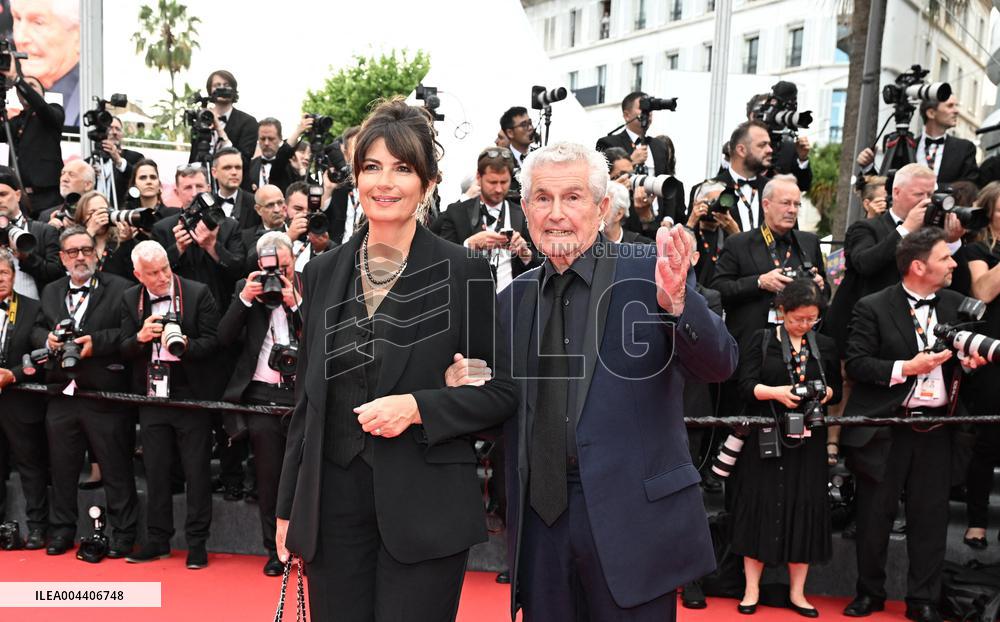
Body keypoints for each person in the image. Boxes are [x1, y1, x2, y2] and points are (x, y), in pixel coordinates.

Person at [274, 98, 517, 621]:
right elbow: (307, 404)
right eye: (372, 167)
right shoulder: (321, 273)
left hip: (425, 507)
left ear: (428, 183)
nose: (385, 182)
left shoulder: (464, 272)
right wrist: (288, 507)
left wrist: (420, 406)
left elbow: (502, 394)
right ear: (356, 178)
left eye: (402, 168)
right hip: (333, 508)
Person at [501, 141, 738, 621]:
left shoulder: (649, 271)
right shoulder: (511, 300)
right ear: (525, 210)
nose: (556, 213)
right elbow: (502, 409)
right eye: (542, 199)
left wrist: (677, 304)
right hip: (541, 526)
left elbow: (719, 365)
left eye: (572, 197)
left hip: (635, 520)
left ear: (602, 206)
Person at [840, 227, 987, 622]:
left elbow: (967, 367)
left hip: (939, 429)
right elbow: (856, 363)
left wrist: (971, 366)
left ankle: (923, 599)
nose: (954, 263)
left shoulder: (960, 305)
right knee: (873, 517)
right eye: (945, 258)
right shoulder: (872, 305)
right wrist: (907, 367)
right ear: (919, 266)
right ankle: (868, 592)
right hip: (887, 426)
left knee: (931, 517)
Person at [731, 278, 841, 617]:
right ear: (782, 312)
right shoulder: (761, 340)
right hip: (766, 433)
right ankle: (751, 590)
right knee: (759, 506)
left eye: (811, 319)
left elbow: (835, 387)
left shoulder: (824, 345)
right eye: (798, 319)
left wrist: (823, 395)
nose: (805, 325)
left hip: (809, 441)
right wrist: (777, 392)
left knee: (805, 509)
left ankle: (798, 592)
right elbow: (744, 386)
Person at [33, 226, 138, 557]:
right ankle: (63, 531)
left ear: (97, 254)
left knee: (117, 469)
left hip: (104, 393)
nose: (81, 257)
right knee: (62, 469)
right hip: (61, 393)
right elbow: (36, 327)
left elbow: (128, 334)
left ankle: (124, 535)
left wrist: (96, 344)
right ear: (62, 258)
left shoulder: (122, 289)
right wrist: (45, 340)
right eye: (73, 252)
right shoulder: (50, 291)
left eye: (86, 250)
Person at [121, 240, 222, 569]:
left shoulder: (197, 292)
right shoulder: (129, 300)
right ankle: (157, 540)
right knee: (155, 471)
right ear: (138, 274)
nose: (163, 276)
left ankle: (197, 543)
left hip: (191, 396)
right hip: (152, 396)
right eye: (153, 273)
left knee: (197, 472)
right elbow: (122, 349)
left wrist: (187, 344)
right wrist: (140, 337)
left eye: (165, 268)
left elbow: (215, 342)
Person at [218, 232, 302, 576]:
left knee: (305, 480)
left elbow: (325, 338)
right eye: (271, 269)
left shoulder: (309, 284)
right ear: (258, 266)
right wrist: (245, 299)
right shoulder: (247, 287)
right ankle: (275, 551)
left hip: (301, 397)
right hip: (262, 396)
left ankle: (307, 551)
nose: (277, 275)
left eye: (284, 267)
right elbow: (223, 338)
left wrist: (295, 303)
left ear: (294, 260)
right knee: (268, 479)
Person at [711, 175, 829, 348]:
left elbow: (825, 293)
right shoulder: (738, 243)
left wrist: (819, 287)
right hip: (750, 344)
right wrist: (759, 282)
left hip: (798, 342)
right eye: (786, 203)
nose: (792, 210)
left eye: (797, 204)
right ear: (766, 205)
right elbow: (718, 290)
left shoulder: (809, 242)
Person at [0, 249, 49, 550]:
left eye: (2, 274)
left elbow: (42, 358)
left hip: (21, 403)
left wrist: (14, 374)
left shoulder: (33, 308)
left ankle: (38, 528)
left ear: (14, 276)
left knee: (31, 468)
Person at [960, 182, 1000, 549]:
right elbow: (983, 291)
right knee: (987, 441)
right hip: (991, 353)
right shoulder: (977, 249)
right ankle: (976, 520)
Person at [436, 147, 537, 291]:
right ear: (478, 177)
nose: (499, 189)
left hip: (513, 303)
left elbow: (539, 265)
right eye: (492, 182)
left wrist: (525, 253)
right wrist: (469, 245)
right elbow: (440, 261)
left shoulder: (521, 214)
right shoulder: (457, 212)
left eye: (504, 182)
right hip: (468, 303)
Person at [857, 96, 978, 185]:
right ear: (931, 113)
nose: (956, 111)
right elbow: (887, 185)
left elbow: (969, 187)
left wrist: (929, 188)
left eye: (956, 106)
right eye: (950, 106)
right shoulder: (905, 147)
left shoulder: (965, 149)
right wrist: (868, 167)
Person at [0, 65, 65, 216]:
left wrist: (18, 80)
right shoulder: (16, 122)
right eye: (21, 88)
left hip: (48, 196)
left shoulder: (54, 111)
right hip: (20, 197)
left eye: (32, 86)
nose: (25, 89)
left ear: (42, 93)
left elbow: (42, 108)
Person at [10, 0, 80, 126]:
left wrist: (16, 80)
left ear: (78, 35)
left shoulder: (62, 111)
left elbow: (43, 110)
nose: (20, 39)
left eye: (38, 23)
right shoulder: (16, 119)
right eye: (18, 18)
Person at [0, 166, 62, 297]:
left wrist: (27, 257)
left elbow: (56, 275)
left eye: (3, 194)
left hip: (35, 310)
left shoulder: (44, 231)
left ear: (17, 195)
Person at [190, 70, 257, 174]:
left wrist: (220, 130)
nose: (222, 88)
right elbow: (194, 156)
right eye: (217, 85)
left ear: (233, 90)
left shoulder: (248, 122)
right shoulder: (201, 118)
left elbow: (244, 161)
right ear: (210, 90)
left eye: (226, 85)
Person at [714, 121, 773, 232]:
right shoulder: (710, 189)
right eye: (762, 145)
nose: (770, 150)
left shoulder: (775, 190)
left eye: (769, 144)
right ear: (741, 150)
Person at [685, 180, 740, 286]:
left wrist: (736, 232)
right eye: (714, 201)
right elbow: (675, 257)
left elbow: (747, 263)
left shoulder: (728, 235)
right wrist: (691, 222)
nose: (718, 206)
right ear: (698, 203)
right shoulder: (689, 231)